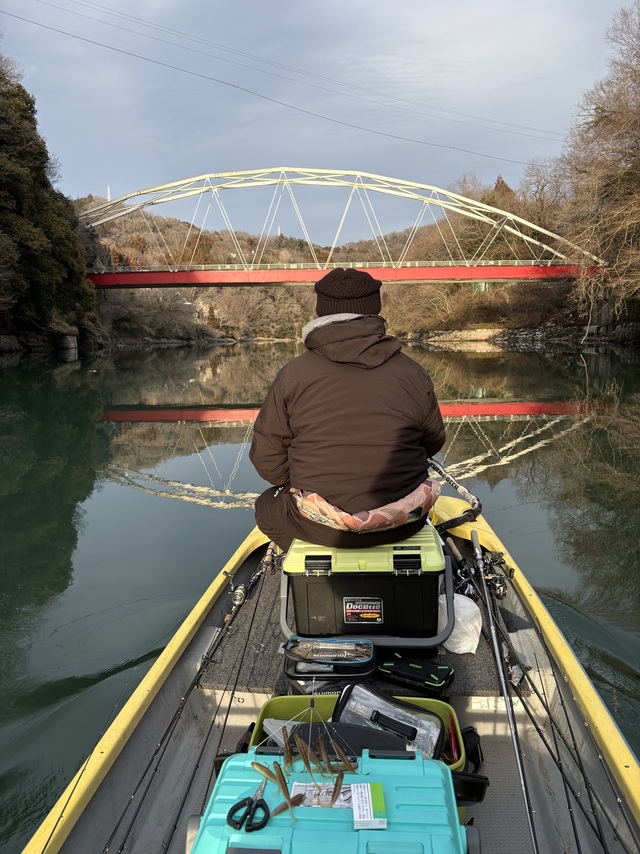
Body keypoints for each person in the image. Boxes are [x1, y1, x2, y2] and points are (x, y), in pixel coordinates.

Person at [249, 268, 446, 552]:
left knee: (266, 506)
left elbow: (267, 461)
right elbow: (432, 441)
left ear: (321, 311)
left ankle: (316, 559)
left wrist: (308, 482)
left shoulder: (294, 374)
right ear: (374, 308)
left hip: (320, 527)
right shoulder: (412, 371)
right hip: (403, 521)